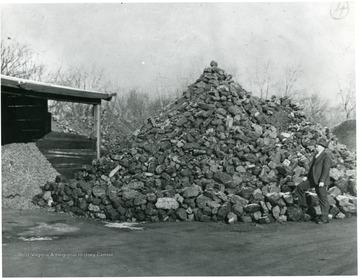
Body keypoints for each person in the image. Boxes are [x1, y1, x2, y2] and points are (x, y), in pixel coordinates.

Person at [294, 138, 331, 224]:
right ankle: (304, 206)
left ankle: (324, 218)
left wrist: (322, 180)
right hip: (312, 179)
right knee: (300, 187)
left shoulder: (326, 156)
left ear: (322, 147)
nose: (316, 146)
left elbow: (326, 170)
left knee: (323, 199)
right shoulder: (315, 155)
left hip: (320, 182)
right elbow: (311, 168)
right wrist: (307, 177)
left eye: (317, 145)